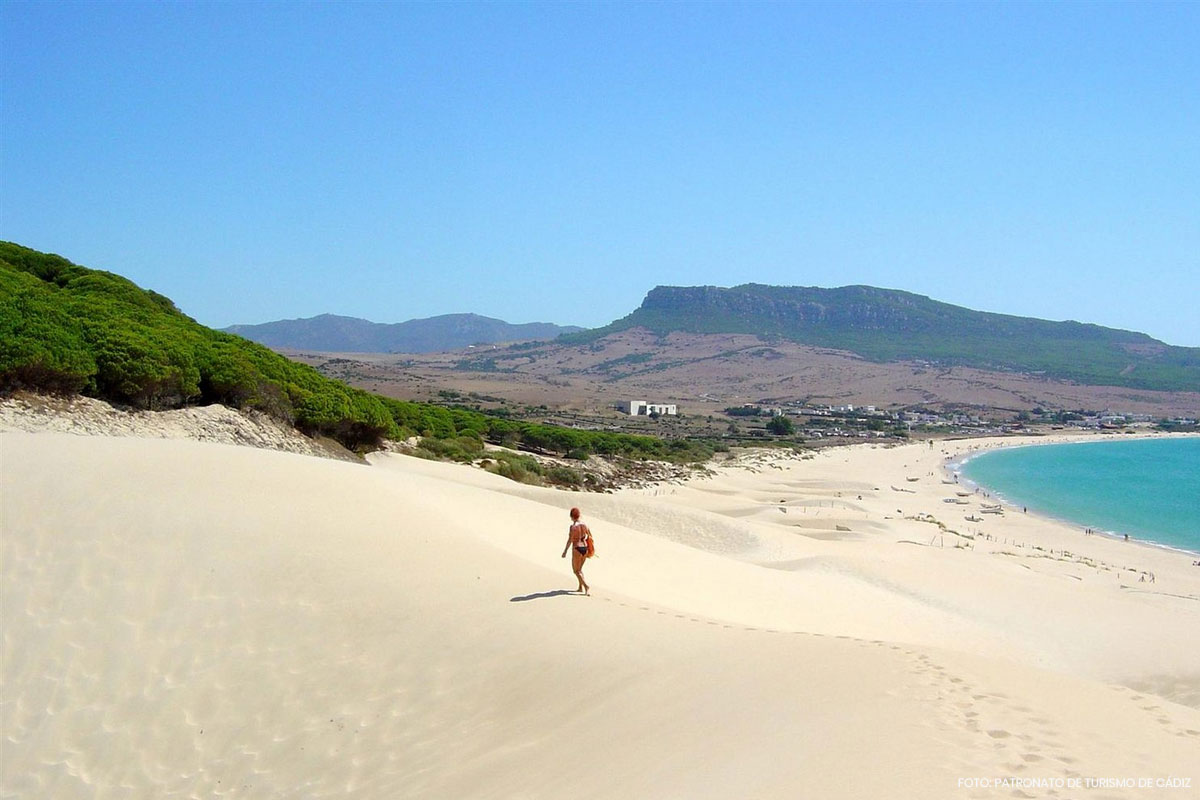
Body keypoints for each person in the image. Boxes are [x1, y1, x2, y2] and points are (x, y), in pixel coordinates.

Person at [561, 507, 592, 595]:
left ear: (571, 516)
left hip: (577, 548)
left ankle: (586, 586)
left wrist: (565, 551)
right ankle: (580, 587)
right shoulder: (585, 524)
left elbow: (570, 539)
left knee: (576, 571)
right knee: (580, 569)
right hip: (585, 548)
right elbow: (589, 536)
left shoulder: (573, 527)